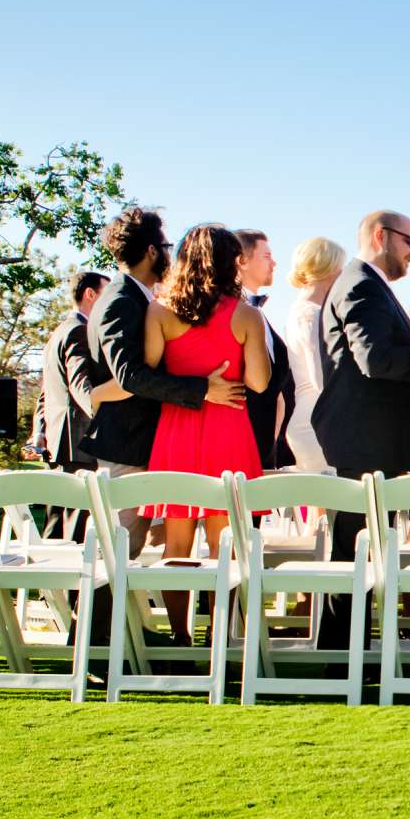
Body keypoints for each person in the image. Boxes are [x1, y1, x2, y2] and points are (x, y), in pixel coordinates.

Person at [84, 207, 244, 556]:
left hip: (145, 444)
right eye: (168, 246)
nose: (172, 256)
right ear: (153, 251)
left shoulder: (140, 298)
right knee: (114, 557)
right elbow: (129, 375)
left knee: (129, 552)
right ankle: (93, 614)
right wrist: (203, 389)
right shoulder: (120, 300)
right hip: (126, 444)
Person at [137, 225, 272, 636]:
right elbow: (260, 382)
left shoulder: (159, 311)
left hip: (177, 430)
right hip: (229, 431)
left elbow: (151, 371)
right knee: (224, 548)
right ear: (233, 261)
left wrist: (194, 382)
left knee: (175, 547)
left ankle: (180, 636)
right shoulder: (246, 314)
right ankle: (218, 635)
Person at [312, 210, 410, 648]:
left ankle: (349, 653)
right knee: (353, 552)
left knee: (360, 550)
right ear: (380, 236)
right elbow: (374, 359)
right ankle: (340, 658)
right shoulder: (361, 285)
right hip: (363, 440)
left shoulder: (366, 284)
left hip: (373, 438)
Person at [36, 270, 110, 538]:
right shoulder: (80, 330)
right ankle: (73, 581)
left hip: (59, 442)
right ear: (90, 294)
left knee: (56, 527)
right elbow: (82, 388)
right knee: (76, 532)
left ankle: (49, 580)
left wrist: (40, 431)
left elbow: (44, 394)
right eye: (107, 294)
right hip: (79, 441)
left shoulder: (58, 331)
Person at [281, 237, 345, 473]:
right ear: (329, 268)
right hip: (318, 422)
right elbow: (321, 378)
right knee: (330, 504)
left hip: (311, 418)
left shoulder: (301, 309)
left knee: (323, 505)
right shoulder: (311, 314)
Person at [233, 229, 295, 472]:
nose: (274, 263)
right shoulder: (233, 311)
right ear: (242, 261)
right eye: (266, 256)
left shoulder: (256, 311)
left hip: (266, 441)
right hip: (241, 438)